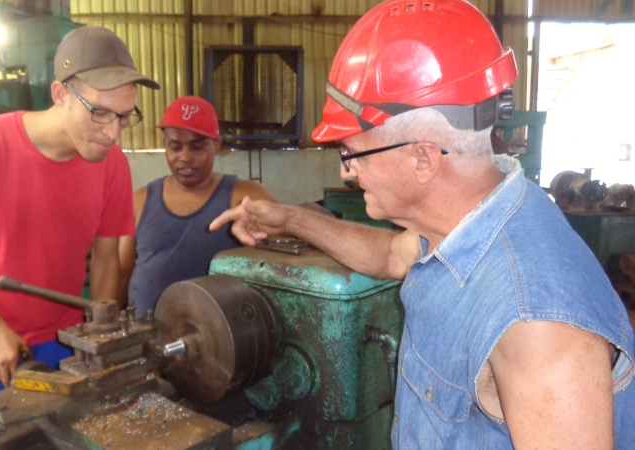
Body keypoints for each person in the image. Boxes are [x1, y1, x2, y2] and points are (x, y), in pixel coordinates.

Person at [210, 1, 635, 449]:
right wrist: (292, 219)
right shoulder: (472, 221)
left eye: (351, 153)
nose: (346, 174)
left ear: (423, 158)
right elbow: (392, 255)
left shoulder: (536, 324)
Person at [0, 26, 159, 412]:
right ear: (60, 95)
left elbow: (106, 256)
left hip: (67, 342)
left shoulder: (112, 166)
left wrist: (101, 336)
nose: (113, 134)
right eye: (100, 113)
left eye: (124, 118)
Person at [120, 96, 275, 315]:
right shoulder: (140, 201)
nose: (185, 157)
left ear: (217, 146)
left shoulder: (243, 197)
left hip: (222, 339)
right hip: (147, 338)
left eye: (197, 147)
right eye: (175, 147)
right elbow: (122, 271)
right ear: (164, 146)